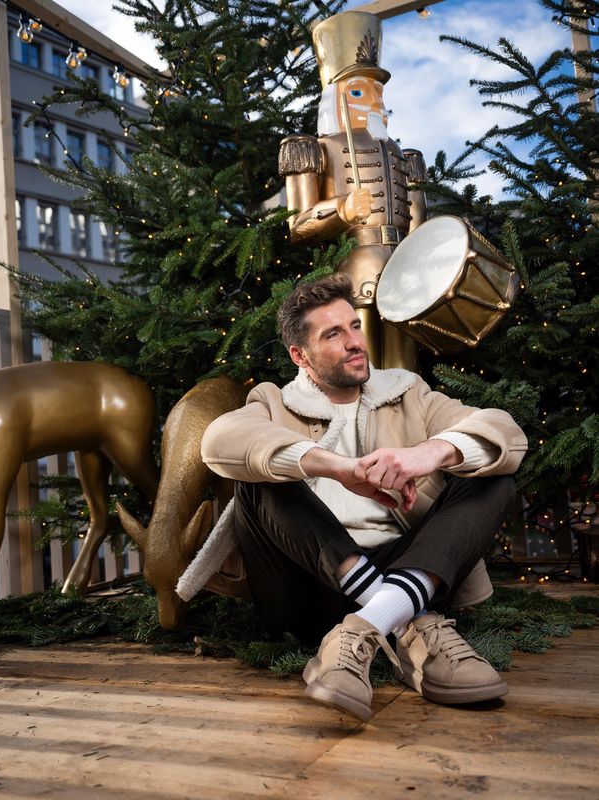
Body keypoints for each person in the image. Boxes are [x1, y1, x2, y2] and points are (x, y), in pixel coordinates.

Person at [198, 274, 527, 722]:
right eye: (333, 334)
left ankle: (365, 627)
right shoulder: (272, 400)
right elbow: (218, 441)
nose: (355, 342)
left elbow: (504, 430)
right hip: (309, 585)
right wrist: (338, 467)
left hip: (407, 566)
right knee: (257, 478)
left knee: (491, 471)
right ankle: (411, 624)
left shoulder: (408, 392)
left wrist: (425, 454)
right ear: (300, 355)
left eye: (355, 326)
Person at [279, 10, 427, 369]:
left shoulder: (400, 153)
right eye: (360, 91)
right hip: (353, 272)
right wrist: (342, 210)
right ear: (335, 98)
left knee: (406, 370)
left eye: (377, 92)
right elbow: (297, 225)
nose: (375, 102)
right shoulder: (313, 148)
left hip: (403, 269)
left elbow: (417, 222)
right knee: (363, 364)